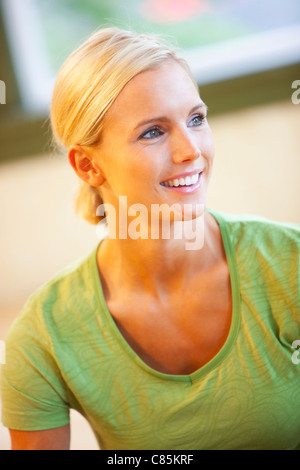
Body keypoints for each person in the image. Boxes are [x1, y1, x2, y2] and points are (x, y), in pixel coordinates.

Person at [1, 27, 300, 451]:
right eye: (153, 132)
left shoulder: (290, 263)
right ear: (87, 166)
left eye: (196, 119)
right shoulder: (42, 339)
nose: (190, 150)